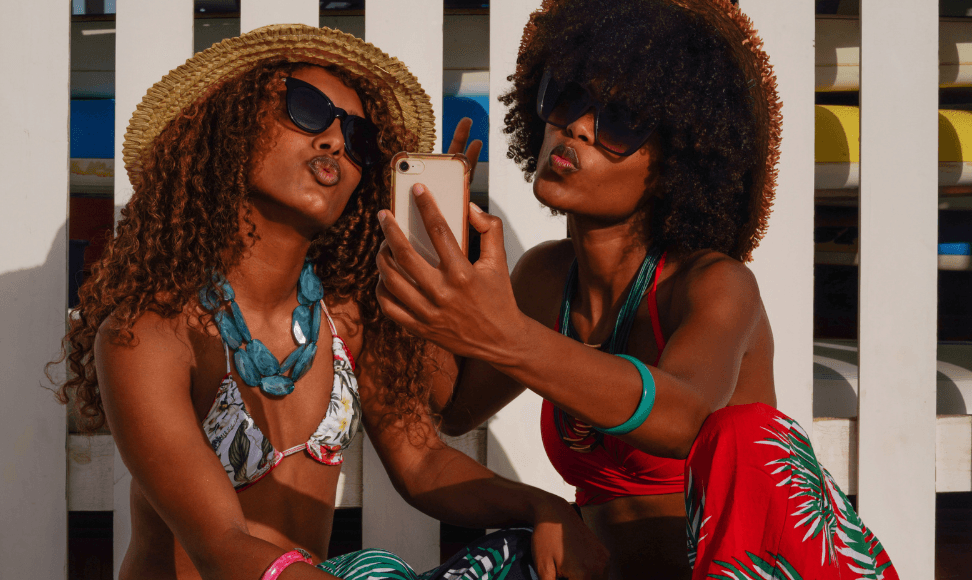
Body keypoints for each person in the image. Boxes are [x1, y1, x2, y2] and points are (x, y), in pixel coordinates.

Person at [51, 24, 607, 580]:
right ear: (231, 129)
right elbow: (223, 545)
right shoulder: (151, 334)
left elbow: (422, 461)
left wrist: (544, 507)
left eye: (359, 137)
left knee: (518, 556)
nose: (335, 141)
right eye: (307, 109)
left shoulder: (345, 318)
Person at [373, 1, 900, 579]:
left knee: (747, 434)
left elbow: (683, 418)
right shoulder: (547, 281)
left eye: (620, 119)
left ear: (678, 160)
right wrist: (429, 264)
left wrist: (510, 336)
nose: (577, 127)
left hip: (741, 568)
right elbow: (455, 410)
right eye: (567, 97)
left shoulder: (715, 285)